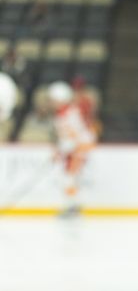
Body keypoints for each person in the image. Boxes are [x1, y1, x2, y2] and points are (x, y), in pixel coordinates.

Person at [48, 81, 97, 217]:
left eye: (53, 100)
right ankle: (72, 205)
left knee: (70, 178)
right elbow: (64, 136)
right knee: (69, 178)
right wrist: (60, 150)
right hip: (71, 151)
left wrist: (72, 147)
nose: (51, 103)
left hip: (78, 151)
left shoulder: (72, 113)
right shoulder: (61, 115)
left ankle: (72, 206)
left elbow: (82, 133)